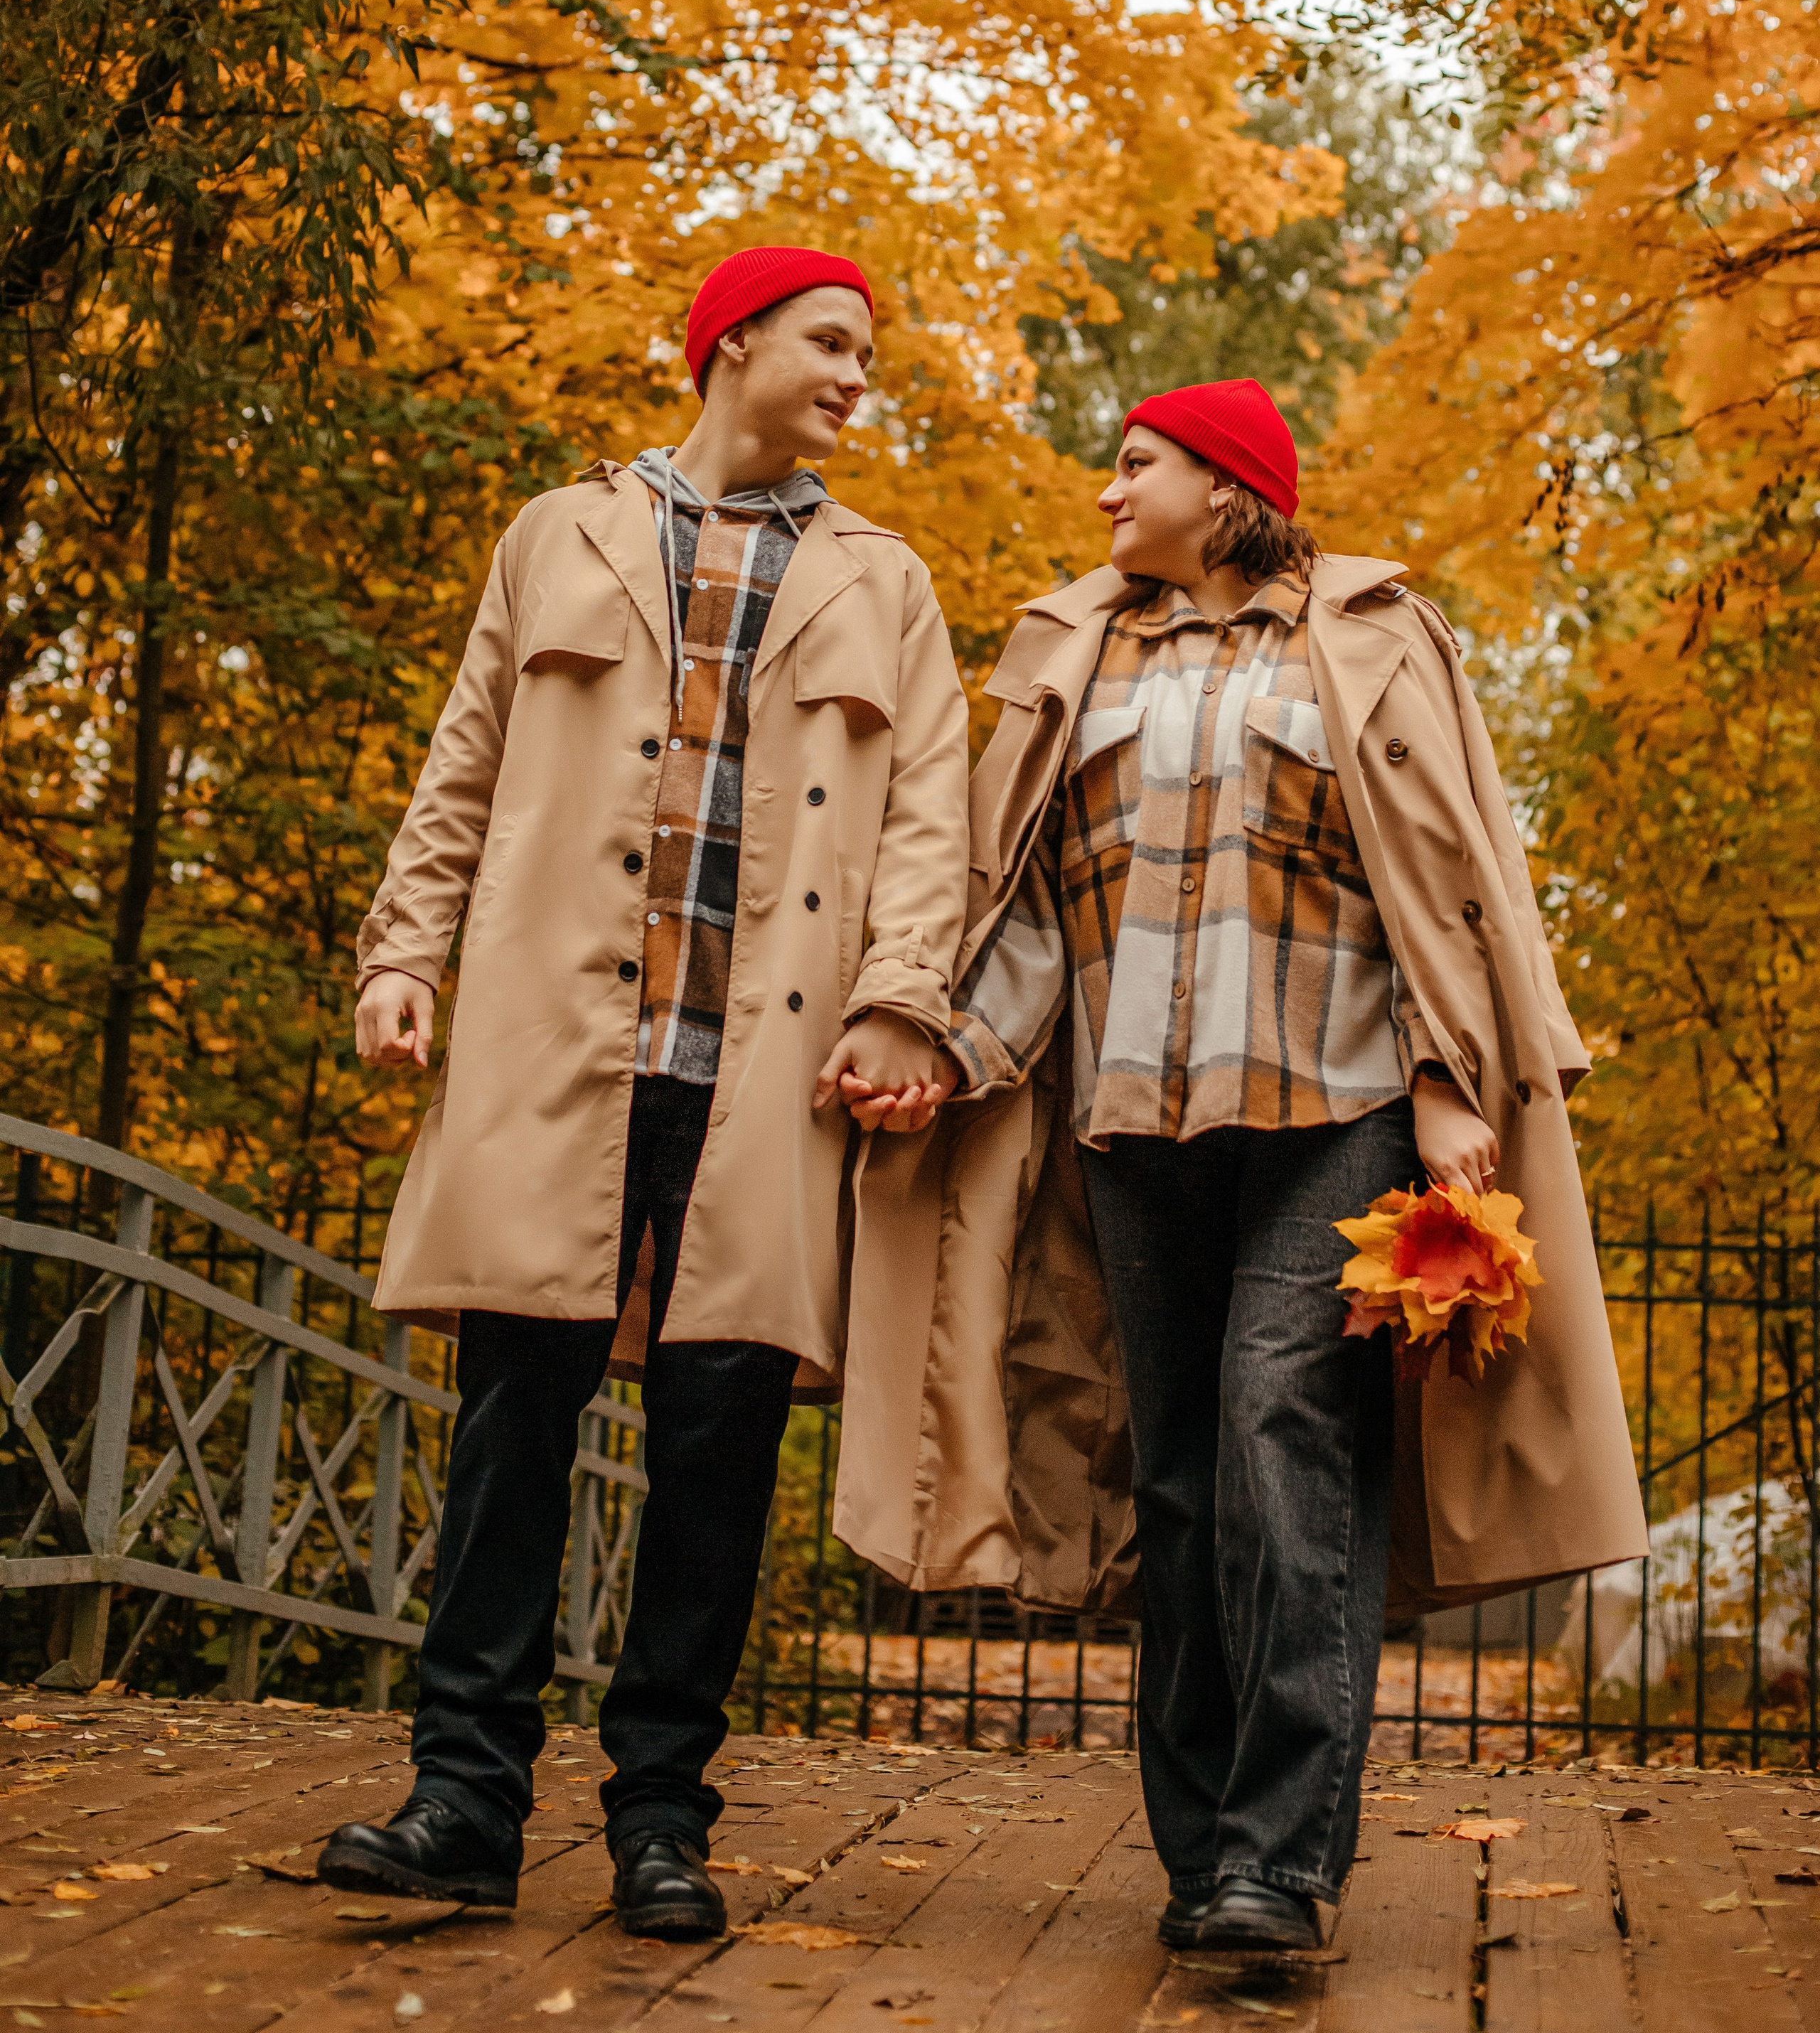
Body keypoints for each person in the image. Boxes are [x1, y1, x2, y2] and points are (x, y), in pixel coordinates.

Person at [835, 377, 1646, 1954]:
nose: (1103, 493)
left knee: (1285, 1447)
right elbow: (1033, 913)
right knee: (1183, 1480)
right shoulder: (1076, 652)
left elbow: (1437, 872)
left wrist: (1437, 1078)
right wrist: (942, 1047)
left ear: (1223, 486)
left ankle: (1280, 1856)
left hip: (1330, 1113)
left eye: (1131, 465)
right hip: (1130, 1130)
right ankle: (1201, 1846)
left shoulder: (1365, 635)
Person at [318, 245, 968, 1936]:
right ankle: (461, 1798)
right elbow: (463, 761)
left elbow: (926, 829)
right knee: (511, 1434)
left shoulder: (884, 583)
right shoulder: (560, 533)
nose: (852, 375)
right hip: (559, 1054)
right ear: (729, 341)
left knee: (715, 1455)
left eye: (865, 353)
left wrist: (904, 1002)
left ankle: (661, 1818)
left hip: (762, 1073)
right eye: (828, 342)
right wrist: (405, 952)